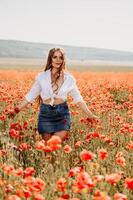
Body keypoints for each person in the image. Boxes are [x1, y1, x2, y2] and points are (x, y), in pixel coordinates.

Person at [11, 47, 99, 142]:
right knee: (47, 148)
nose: (58, 60)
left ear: (63, 60)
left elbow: (79, 99)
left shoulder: (69, 79)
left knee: (54, 143)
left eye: (60, 57)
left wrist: (91, 115)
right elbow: (30, 96)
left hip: (62, 114)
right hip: (46, 114)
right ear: (50, 59)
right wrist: (16, 110)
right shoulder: (42, 77)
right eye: (55, 57)